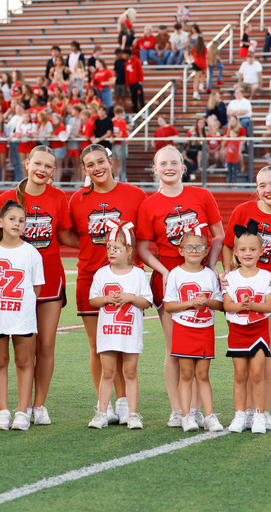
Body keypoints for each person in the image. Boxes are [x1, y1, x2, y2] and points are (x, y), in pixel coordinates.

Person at [136, 145, 224, 427]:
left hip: (200, 282)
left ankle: (195, 409)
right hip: (169, 283)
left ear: (183, 167)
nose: (169, 167)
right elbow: (142, 248)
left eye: (174, 162)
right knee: (174, 347)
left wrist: (209, 267)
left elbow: (218, 235)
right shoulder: (149, 204)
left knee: (198, 347)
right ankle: (178, 408)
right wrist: (166, 272)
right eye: (163, 164)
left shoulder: (202, 195)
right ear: (155, 169)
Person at [0, 146, 77, 425]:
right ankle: (20, 406)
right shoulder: (7, 198)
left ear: (54, 171)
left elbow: (65, 235)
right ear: (27, 163)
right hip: (14, 281)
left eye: (48, 166)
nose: (41, 170)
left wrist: (100, 245)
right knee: (21, 346)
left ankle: (38, 405)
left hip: (50, 275)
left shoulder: (58, 197)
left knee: (46, 344)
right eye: (37, 163)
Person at [69, 145, 146, 424]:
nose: (96, 168)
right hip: (91, 277)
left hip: (126, 279)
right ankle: (105, 405)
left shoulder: (135, 195)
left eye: (100, 161)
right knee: (98, 346)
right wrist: (90, 250)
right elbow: (69, 234)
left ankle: (125, 403)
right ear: (84, 170)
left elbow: (144, 236)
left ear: (110, 162)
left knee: (124, 345)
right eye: (90, 165)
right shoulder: (77, 198)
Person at [222, 166, 271, 433]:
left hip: (264, 294)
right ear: (256, 188)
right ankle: (241, 412)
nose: (268, 190)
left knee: (262, 355)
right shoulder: (243, 211)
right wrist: (228, 276)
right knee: (241, 358)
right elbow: (226, 246)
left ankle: (262, 412)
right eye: (262, 185)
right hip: (239, 292)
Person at [0, 200, 45, 431]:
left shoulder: (31, 253)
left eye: (22, 220)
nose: (17, 223)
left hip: (22, 317)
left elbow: (36, 289)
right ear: (0, 222)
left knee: (24, 361)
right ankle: (3, 410)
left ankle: (22, 411)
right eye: (12, 219)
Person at [87, 221, 152, 429]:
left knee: (130, 372)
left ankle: (132, 413)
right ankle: (102, 412)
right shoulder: (101, 274)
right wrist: (107, 299)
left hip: (129, 333)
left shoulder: (138, 274)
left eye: (117, 248)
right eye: (109, 247)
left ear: (129, 250)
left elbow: (147, 302)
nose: (111, 252)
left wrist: (129, 297)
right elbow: (93, 300)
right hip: (107, 333)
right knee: (107, 372)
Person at [162, 228, 225, 432]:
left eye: (199, 247)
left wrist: (206, 302)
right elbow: (169, 306)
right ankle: (187, 415)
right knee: (186, 375)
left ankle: (209, 416)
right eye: (189, 247)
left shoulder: (209, 275)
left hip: (205, 329)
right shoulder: (175, 274)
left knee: (203, 375)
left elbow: (220, 303)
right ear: (181, 251)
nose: (194, 250)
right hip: (184, 329)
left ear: (206, 251)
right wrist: (190, 303)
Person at [223, 220, 271, 434]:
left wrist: (251, 305)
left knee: (257, 374)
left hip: (259, 332)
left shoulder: (267, 277)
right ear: (235, 252)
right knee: (240, 375)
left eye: (253, 249)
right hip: (238, 332)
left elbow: (269, 306)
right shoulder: (230, 278)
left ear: (261, 251)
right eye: (243, 249)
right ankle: (239, 414)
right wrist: (240, 306)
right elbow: (227, 305)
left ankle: (258, 415)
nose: (248, 253)